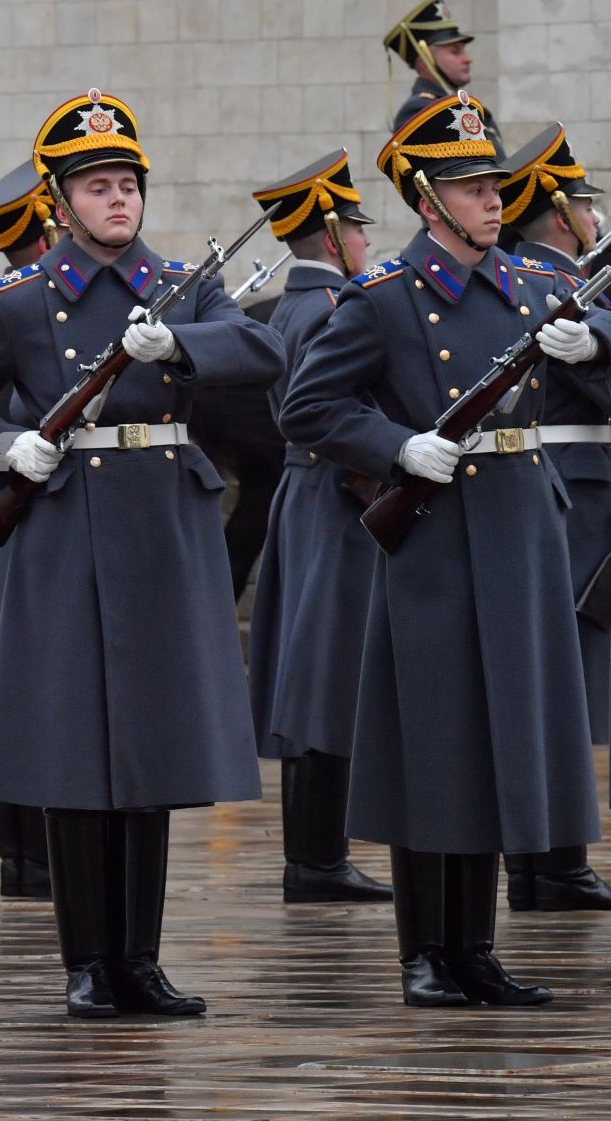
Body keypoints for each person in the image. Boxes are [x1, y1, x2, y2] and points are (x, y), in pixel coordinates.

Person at [0, 90, 282, 1018]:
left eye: (127, 184)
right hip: (66, 528)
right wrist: (6, 448)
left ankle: (140, 962)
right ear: (60, 200)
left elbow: (260, 351)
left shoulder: (183, 288)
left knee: (150, 752)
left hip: (161, 530)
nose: (118, 200)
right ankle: (87, 963)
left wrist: (182, 345)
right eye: (97, 186)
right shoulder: (20, 300)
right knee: (75, 755)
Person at [280, 93, 609, 1007]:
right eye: (468, 188)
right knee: (438, 748)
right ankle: (427, 952)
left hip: (522, 536)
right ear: (428, 201)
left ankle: (477, 951)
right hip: (434, 538)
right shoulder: (383, 300)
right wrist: (396, 447)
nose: (491, 200)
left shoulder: (537, 289)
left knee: (505, 745)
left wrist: (595, 344)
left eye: (493, 185)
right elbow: (306, 408)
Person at [242, 151, 393, 905]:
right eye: (359, 228)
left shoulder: (287, 306)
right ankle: (317, 860)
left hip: (307, 491)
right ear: (334, 235)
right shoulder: (337, 306)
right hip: (342, 496)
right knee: (328, 680)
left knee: (313, 679)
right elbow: (337, 412)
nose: (368, 240)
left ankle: (315, 855)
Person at [496, 123, 611, 913]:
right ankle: (552, 864)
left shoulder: (565, 279)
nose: (594, 217)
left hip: (570, 483)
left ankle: (547, 861)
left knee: (555, 685)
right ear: (565, 214)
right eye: (587, 204)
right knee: (557, 687)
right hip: (571, 486)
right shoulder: (553, 283)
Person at [0, 161, 63, 900]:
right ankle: (25, 858)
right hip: (31, 510)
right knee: (25, 697)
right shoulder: (16, 304)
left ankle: (33, 858)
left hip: (40, 507)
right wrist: (6, 461)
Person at [385, 0, 498, 143]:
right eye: (455, 52)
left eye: (463, 50)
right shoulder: (420, 112)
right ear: (425, 61)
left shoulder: (460, 106)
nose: (468, 58)